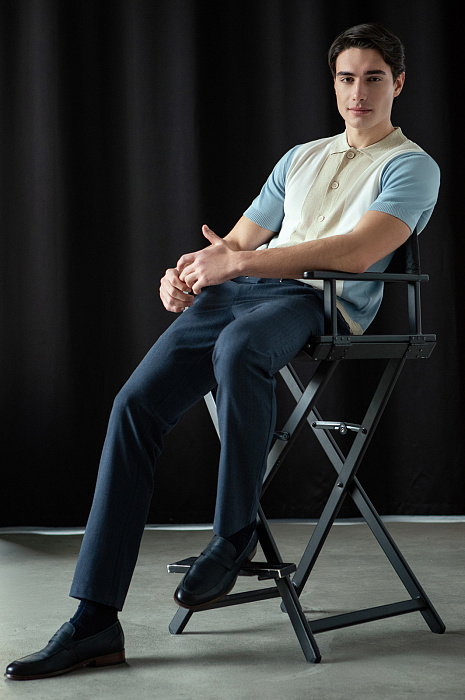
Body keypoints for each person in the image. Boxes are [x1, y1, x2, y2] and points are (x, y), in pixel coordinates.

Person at [5, 22, 440, 680]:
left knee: (239, 347)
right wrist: (184, 276)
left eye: (373, 78)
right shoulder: (299, 158)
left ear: (398, 84)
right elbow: (234, 244)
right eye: (346, 78)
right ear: (333, 84)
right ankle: (94, 622)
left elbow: (355, 253)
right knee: (133, 406)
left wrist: (239, 263)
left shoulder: (411, 164)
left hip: (318, 301)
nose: (358, 92)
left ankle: (232, 536)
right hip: (247, 292)